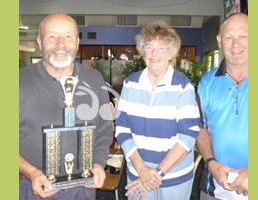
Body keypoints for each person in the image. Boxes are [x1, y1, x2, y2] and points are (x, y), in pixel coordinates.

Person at [19, 12, 113, 200]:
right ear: (39, 42)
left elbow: (104, 131)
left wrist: (98, 163)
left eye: (68, 36)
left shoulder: (94, 80)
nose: (60, 44)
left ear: (77, 42)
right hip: (31, 188)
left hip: (82, 188)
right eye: (52, 36)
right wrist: (31, 172)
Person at [115, 20, 200, 200]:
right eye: (149, 47)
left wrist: (158, 173)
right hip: (138, 174)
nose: (154, 53)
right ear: (142, 50)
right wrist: (142, 169)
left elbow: (189, 135)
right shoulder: (131, 83)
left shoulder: (183, 86)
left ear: (171, 53)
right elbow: (122, 128)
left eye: (161, 48)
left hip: (174, 177)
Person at [196, 13, 248, 200]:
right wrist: (211, 163)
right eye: (229, 37)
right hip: (215, 187)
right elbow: (200, 128)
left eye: (243, 36)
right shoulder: (207, 83)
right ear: (219, 41)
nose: (236, 44)